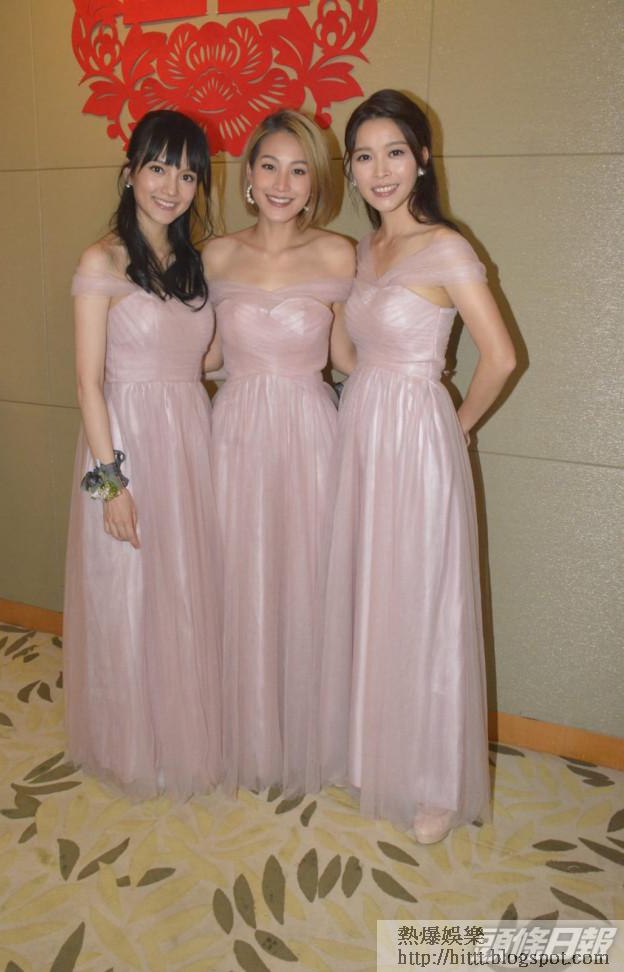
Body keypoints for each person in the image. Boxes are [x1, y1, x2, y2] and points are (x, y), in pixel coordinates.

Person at [321, 89, 517, 843]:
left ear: (423, 159)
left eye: (395, 153)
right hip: (362, 426)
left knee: (425, 598)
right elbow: (349, 357)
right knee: (374, 590)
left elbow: (501, 358)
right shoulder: (363, 251)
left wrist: (457, 429)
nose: (380, 171)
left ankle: (436, 780)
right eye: (365, 156)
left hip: (419, 435)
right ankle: (377, 751)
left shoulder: (447, 248)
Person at [63, 109, 222, 798]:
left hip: (190, 436)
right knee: (126, 595)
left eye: (186, 175)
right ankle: (130, 742)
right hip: (121, 445)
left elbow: (206, 359)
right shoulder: (101, 261)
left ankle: (181, 731)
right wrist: (110, 484)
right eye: (158, 168)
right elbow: (85, 383)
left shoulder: (195, 263)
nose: (171, 187)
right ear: (130, 172)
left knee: (183, 590)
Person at [202, 109, 355, 797]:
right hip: (233, 432)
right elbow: (205, 355)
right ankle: (242, 731)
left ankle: (308, 732)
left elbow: (347, 356)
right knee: (234, 576)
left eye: (299, 170)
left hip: (311, 433)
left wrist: (413, 383)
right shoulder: (216, 256)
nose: (282, 183)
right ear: (249, 174)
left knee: (308, 578)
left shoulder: (339, 254)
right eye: (270, 166)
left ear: (316, 181)